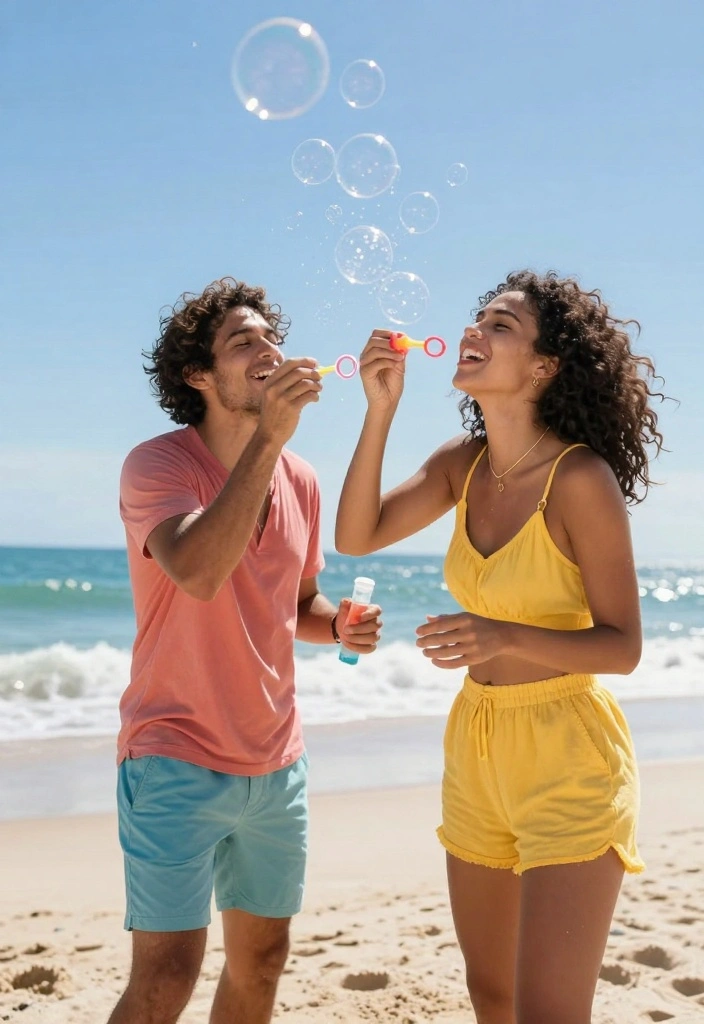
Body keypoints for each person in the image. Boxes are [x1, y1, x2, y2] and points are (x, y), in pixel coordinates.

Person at [335, 270, 664, 1024]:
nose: (476, 332)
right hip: (476, 747)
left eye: (502, 325)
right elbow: (356, 536)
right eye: (477, 318)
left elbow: (623, 648)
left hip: (568, 756)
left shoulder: (580, 479)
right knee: (492, 997)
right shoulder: (464, 462)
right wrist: (380, 412)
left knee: (549, 1009)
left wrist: (500, 635)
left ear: (545, 367)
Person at [110, 277, 382, 1024]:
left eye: (270, 338)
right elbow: (199, 571)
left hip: (277, 763)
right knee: (167, 977)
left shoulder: (301, 478)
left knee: (262, 964)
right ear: (199, 376)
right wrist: (269, 438)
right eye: (243, 342)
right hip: (173, 754)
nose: (267, 350)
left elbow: (295, 604)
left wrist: (339, 625)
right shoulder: (157, 466)